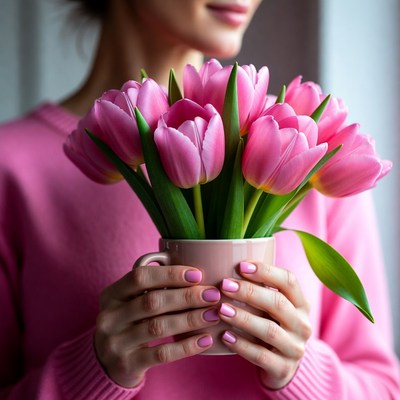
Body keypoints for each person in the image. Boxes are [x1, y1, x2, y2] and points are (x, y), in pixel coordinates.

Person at [0, 0, 399, 398]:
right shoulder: (11, 166)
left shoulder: (300, 147)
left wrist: (301, 369)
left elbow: (383, 388)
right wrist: (92, 371)